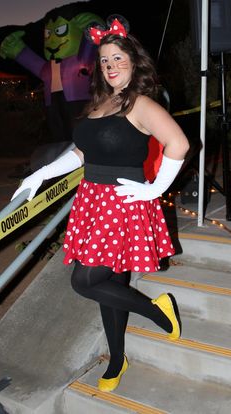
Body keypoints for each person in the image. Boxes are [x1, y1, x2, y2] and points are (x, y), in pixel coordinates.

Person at [11, 15, 190, 393]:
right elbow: (79, 152)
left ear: (133, 62)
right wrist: (40, 175)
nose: (110, 66)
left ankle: (159, 311)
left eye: (117, 59)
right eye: (105, 60)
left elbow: (179, 144)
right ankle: (117, 357)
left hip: (123, 202)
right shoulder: (100, 103)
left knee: (86, 280)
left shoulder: (141, 104)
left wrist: (155, 189)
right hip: (92, 199)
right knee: (109, 282)